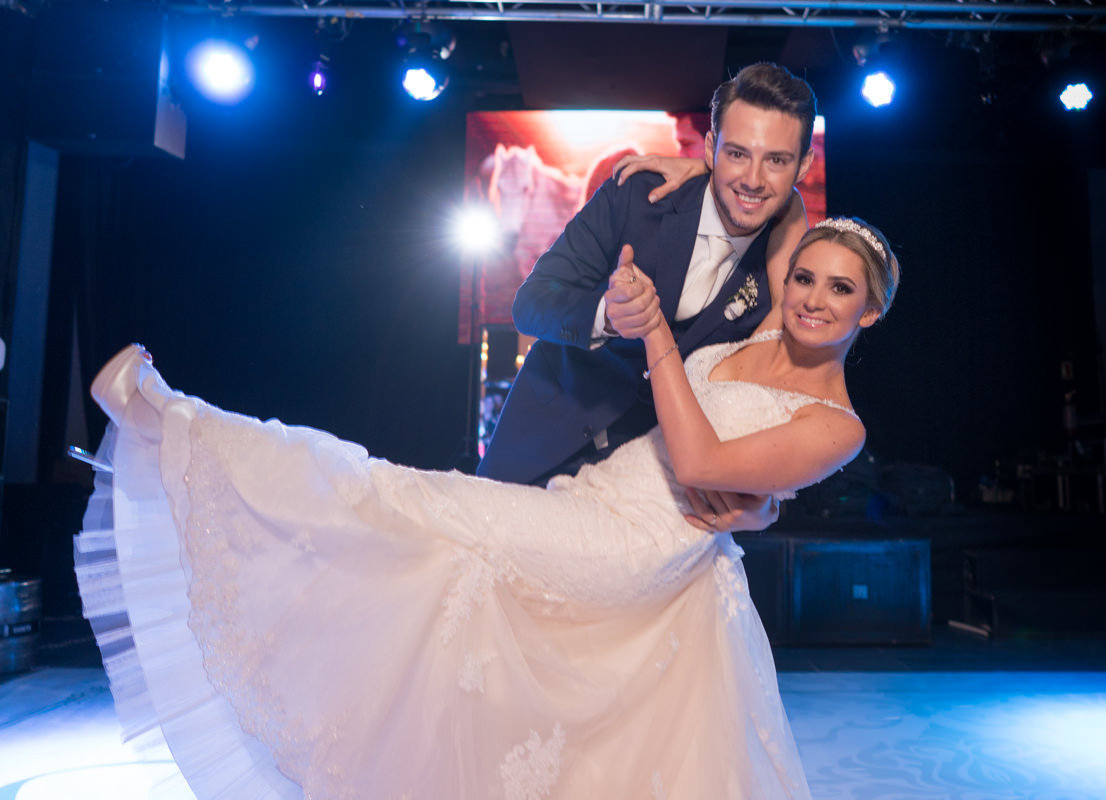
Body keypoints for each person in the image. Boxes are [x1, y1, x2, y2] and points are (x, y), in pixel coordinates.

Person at [75, 215, 900, 800]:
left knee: (406, 499)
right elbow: (777, 194)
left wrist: (654, 335)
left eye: (839, 289)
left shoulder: (837, 425)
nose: (812, 296)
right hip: (597, 502)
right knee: (450, 605)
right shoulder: (759, 335)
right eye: (802, 277)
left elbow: (698, 459)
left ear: (869, 312)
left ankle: (183, 428)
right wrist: (693, 160)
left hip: (633, 546)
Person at [476, 62, 817, 533]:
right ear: (712, 147)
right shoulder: (638, 196)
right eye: (738, 153)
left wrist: (768, 506)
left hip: (659, 500)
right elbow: (531, 303)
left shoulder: (793, 270)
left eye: (776, 160)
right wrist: (606, 315)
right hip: (539, 448)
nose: (754, 179)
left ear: (804, 165)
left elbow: (786, 394)